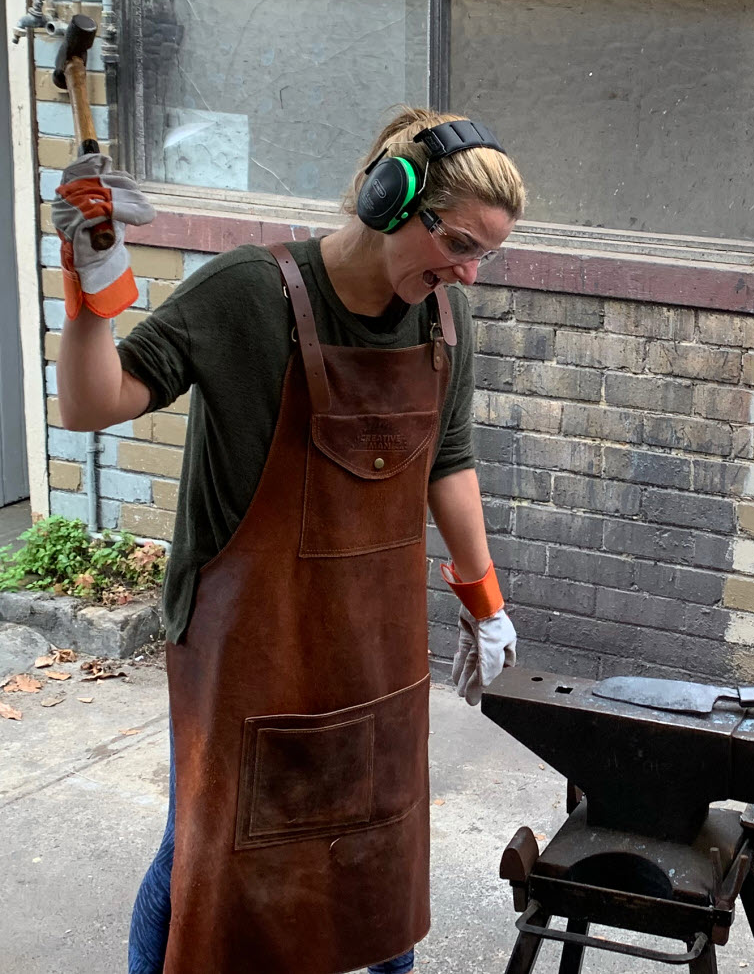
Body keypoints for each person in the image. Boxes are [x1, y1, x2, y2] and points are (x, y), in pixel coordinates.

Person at [53, 108, 526, 974]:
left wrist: (484, 602)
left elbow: (447, 464)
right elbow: (92, 404)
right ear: (392, 198)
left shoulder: (442, 321)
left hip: (375, 650)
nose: (467, 270)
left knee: (379, 867)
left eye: (484, 254)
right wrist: (90, 291)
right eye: (458, 242)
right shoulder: (246, 294)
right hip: (245, 650)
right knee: (205, 859)